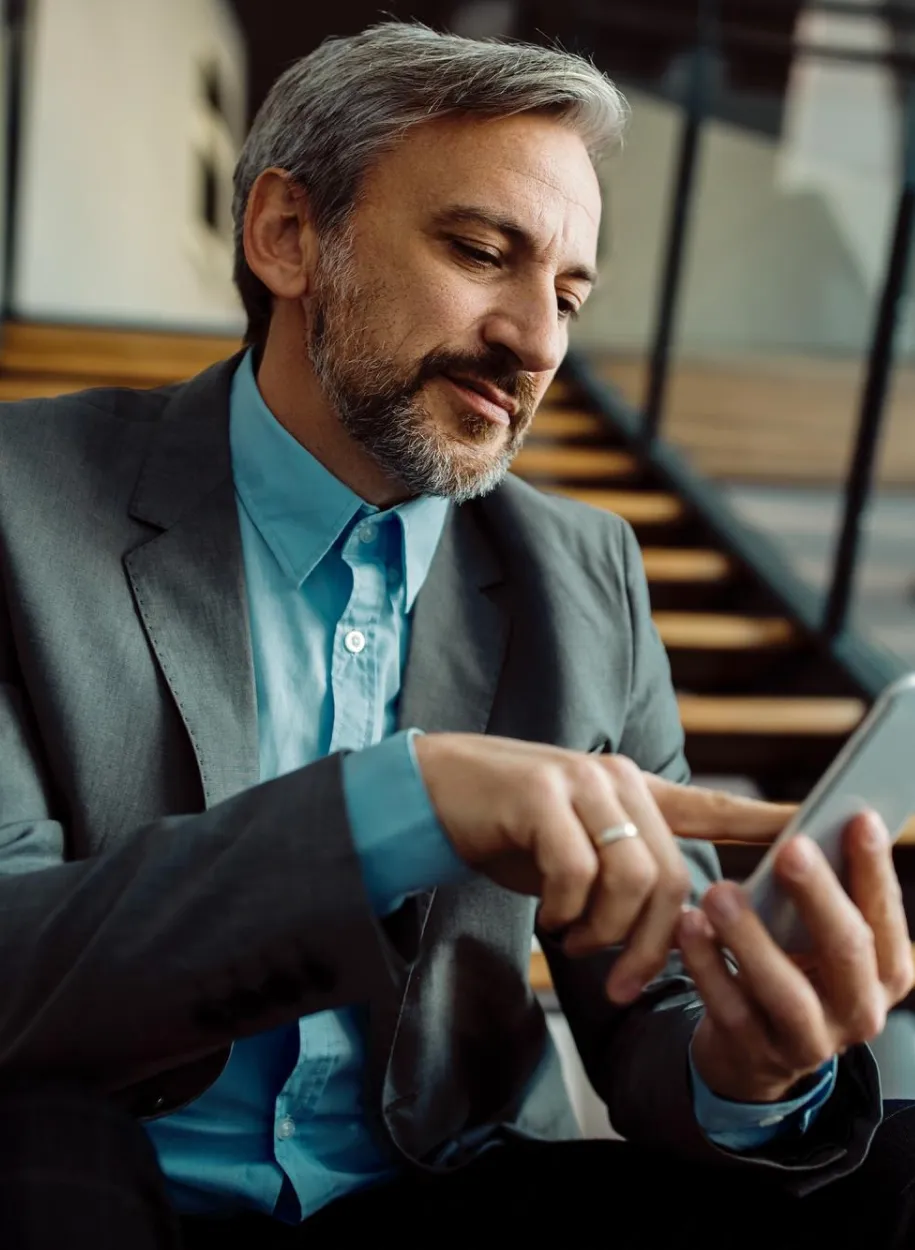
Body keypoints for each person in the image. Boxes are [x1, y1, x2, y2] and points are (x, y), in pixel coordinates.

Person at [0, 20, 912, 1250]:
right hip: (100, 1173)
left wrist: (745, 1067)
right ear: (286, 234)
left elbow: (656, 999)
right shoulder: (19, 503)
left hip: (438, 1195)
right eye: (485, 251)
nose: (538, 342)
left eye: (570, 295)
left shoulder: (585, 575)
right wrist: (398, 804)